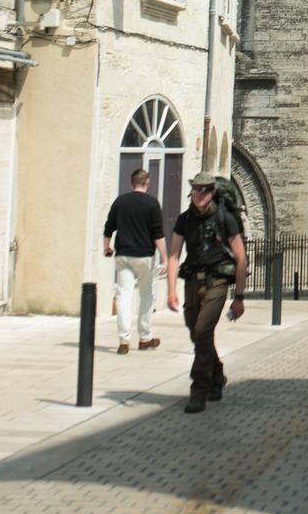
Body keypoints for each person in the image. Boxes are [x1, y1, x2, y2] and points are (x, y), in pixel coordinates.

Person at [166, 173, 247, 414]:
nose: (200, 195)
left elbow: (241, 257)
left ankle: (198, 390)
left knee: (202, 331)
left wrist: (239, 297)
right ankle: (217, 375)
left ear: (212, 192)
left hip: (217, 281)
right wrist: (171, 291)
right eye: (196, 190)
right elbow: (173, 255)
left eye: (205, 190)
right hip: (192, 281)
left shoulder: (225, 218)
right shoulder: (184, 219)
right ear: (191, 192)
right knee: (197, 334)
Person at [102, 167, 166, 355]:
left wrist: (107, 247)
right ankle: (145, 337)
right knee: (146, 295)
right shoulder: (152, 204)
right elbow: (158, 234)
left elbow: (109, 227)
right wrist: (164, 257)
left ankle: (124, 341)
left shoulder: (120, 201)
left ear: (132, 183)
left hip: (123, 254)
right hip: (144, 256)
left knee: (123, 296)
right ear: (147, 183)